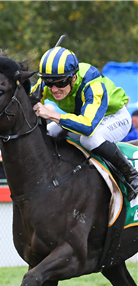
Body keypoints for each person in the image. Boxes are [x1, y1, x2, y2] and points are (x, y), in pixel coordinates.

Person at [32, 47, 137, 199]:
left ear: (73, 78)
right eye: (49, 82)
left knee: (89, 139)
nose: (54, 89)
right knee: (50, 132)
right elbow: (25, 103)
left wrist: (51, 114)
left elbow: (87, 127)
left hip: (115, 117)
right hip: (82, 117)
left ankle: (132, 175)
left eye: (60, 83)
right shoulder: (47, 84)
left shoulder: (92, 83)